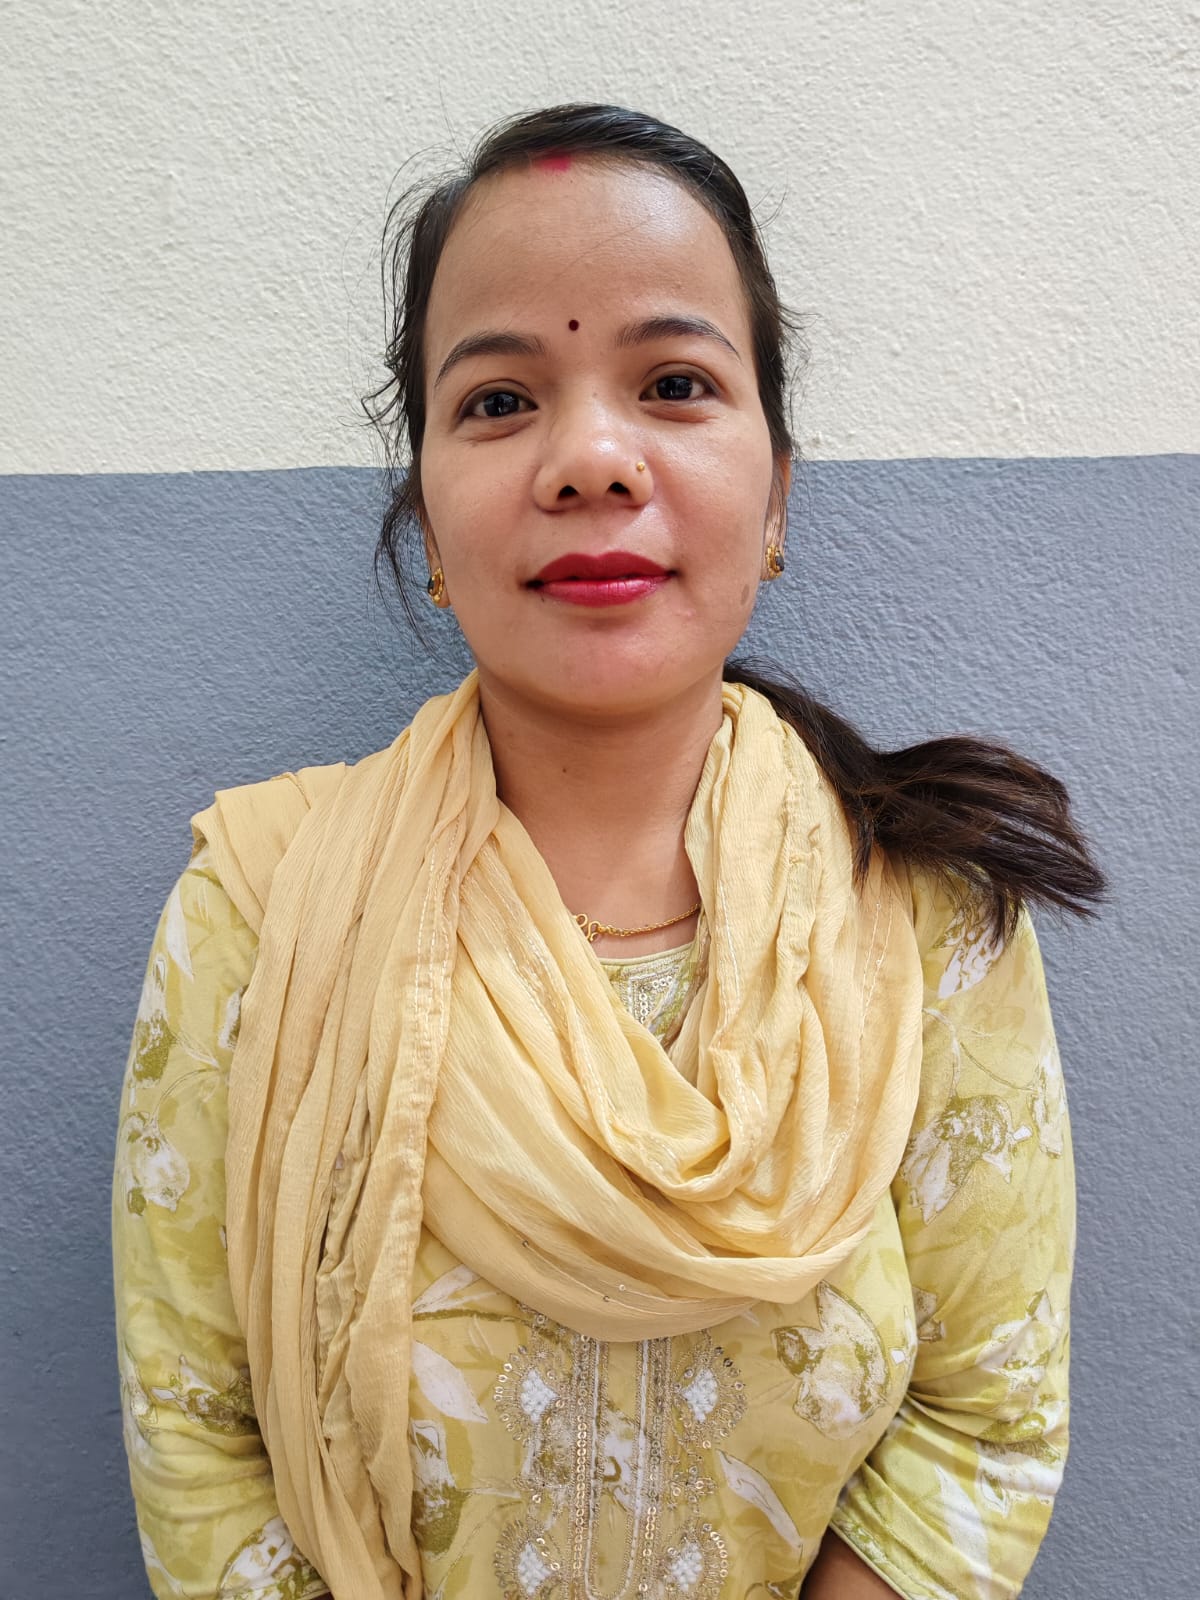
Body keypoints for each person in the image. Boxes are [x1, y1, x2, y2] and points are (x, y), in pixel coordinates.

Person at [113, 104, 1104, 1600]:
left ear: (777, 491)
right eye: (501, 399)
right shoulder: (260, 907)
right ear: (425, 519)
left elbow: (985, 1425)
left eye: (675, 383)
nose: (588, 458)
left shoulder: (925, 921)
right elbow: (197, 1437)